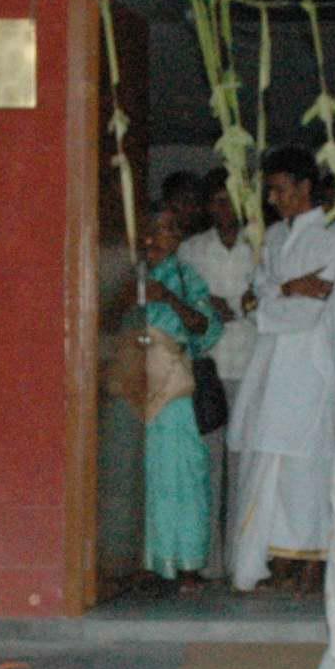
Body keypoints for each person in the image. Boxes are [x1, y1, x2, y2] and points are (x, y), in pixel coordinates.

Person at [226, 148, 335, 593]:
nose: (273, 199)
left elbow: (305, 313)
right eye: (270, 191)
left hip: (307, 372)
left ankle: (311, 562)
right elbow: (253, 294)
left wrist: (266, 302)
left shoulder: (333, 238)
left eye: (280, 190)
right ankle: (268, 561)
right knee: (265, 465)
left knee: (305, 469)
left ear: (304, 187)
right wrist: (285, 288)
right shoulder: (276, 237)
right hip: (268, 369)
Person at [126, 205, 219, 585]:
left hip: (173, 387)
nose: (158, 238)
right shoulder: (126, 271)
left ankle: (186, 563)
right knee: (140, 472)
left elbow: (207, 328)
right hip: (132, 383)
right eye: (154, 229)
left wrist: (168, 298)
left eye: (169, 230)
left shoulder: (185, 276)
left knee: (182, 471)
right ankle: (145, 563)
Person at [174, 179, 258, 580]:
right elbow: (182, 299)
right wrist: (208, 308)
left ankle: (241, 562)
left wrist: (237, 308)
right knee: (206, 468)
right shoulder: (192, 250)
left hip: (249, 367)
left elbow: (268, 299)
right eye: (218, 201)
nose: (225, 208)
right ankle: (207, 562)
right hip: (206, 368)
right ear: (209, 206)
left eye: (232, 200)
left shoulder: (261, 245)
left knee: (243, 469)